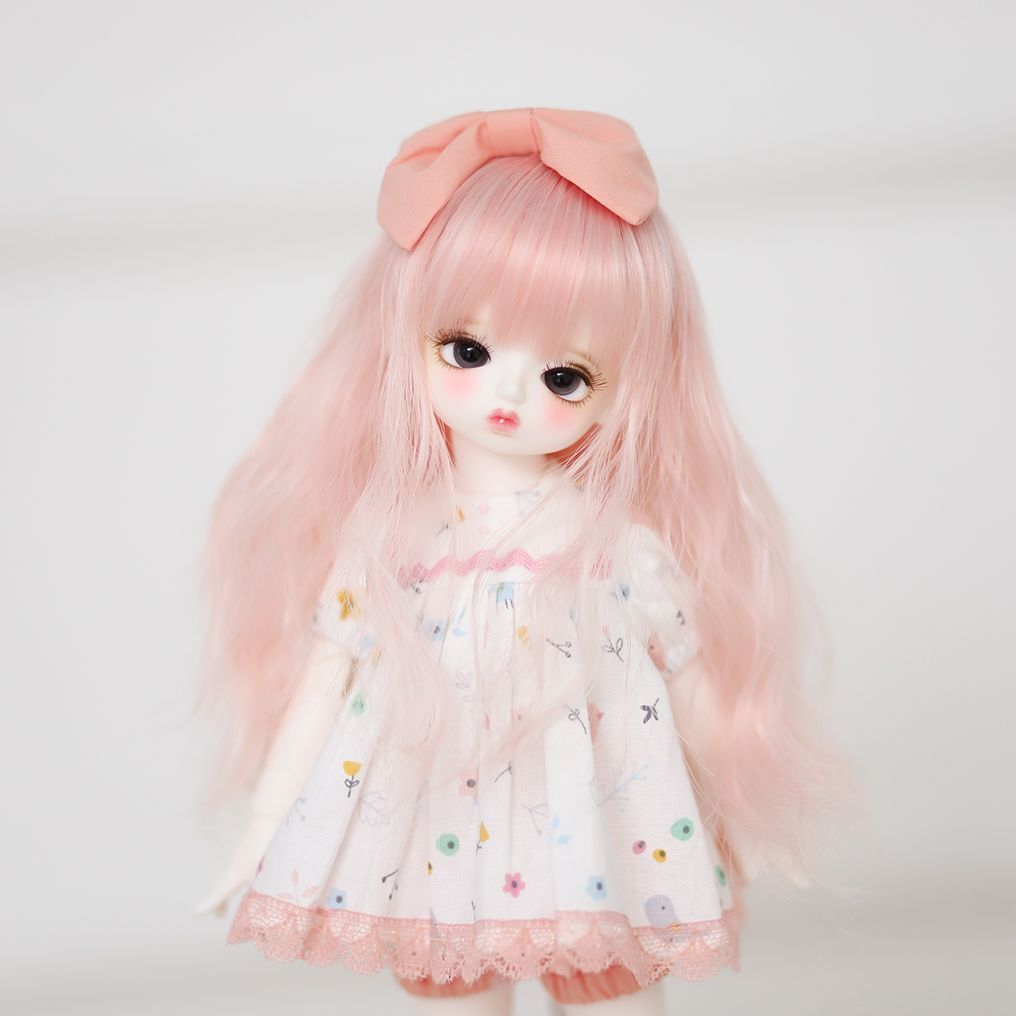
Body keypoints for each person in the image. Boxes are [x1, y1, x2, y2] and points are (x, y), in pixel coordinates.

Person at [193, 107, 847, 1014]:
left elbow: (693, 685)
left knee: (612, 991)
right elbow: (324, 683)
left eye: (563, 376)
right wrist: (268, 824)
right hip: (438, 839)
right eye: (467, 350)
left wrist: (748, 807)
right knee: (456, 993)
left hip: (599, 844)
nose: (507, 392)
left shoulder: (614, 546)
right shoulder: (393, 543)